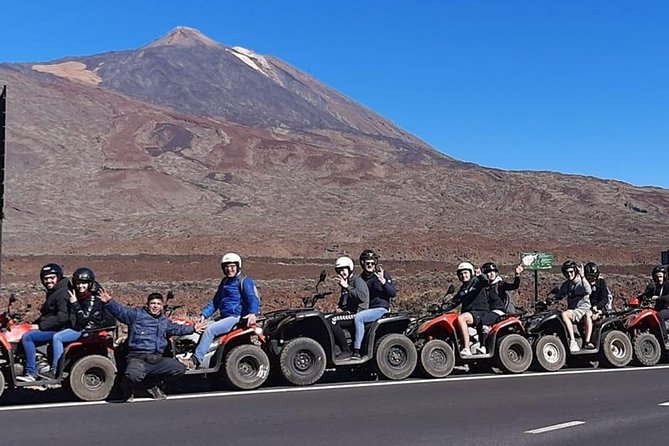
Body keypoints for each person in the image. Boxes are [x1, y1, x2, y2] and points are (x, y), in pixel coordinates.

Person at [100, 290, 206, 400]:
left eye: (158, 304)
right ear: (147, 304)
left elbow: (177, 329)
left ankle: (152, 385)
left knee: (178, 369)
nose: (155, 306)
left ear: (162, 306)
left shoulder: (164, 321)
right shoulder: (136, 315)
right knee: (133, 375)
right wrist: (109, 302)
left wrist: (193, 328)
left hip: (156, 359)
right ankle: (127, 387)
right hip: (138, 358)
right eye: (153, 303)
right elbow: (121, 311)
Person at [179, 252, 260, 369]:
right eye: (226, 267)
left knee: (210, 330)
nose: (229, 269)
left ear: (238, 266)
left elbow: (252, 297)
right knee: (199, 328)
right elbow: (216, 301)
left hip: (236, 317)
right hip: (224, 316)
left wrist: (253, 313)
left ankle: (195, 360)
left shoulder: (244, 281)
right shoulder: (225, 282)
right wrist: (204, 314)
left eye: (232, 266)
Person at [39, 267, 116, 379]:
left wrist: (74, 303)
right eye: (78, 283)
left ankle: (55, 370)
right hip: (81, 326)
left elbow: (84, 319)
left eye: (84, 283)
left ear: (90, 283)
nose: (81, 286)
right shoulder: (81, 294)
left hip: (88, 329)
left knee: (57, 337)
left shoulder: (93, 297)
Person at [17, 263, 71, 382]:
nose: (48, 281)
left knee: (28, 337)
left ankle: (30, 373)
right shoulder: (54, 291)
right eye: (46, 278)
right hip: (54, 327)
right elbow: (49, 314)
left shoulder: (62, 293)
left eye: (52, 277)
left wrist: (40, 326)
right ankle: (37, 362)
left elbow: (63, 317)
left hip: (61, 329)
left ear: (58, 277)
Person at [443, 262, 499, 357]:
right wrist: (442, 308)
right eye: (461, 274)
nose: (463, 275)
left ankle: (466, 348)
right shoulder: (462, 289)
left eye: (465, 273)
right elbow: (455, 302)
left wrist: (480, 275)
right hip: (470, 313)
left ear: (471, 273)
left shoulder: (477, 281)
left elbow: (485, 281)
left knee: (461, 318)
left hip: (480, 312)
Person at [352, 250, 394, 358]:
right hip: (367, 309)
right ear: (362, 263)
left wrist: (383, 281)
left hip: (381, 309)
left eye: (372, 263)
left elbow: (392, 293)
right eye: (367, 263)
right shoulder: (360, 279)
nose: (370, 265)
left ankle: (356, 351)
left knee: (359, 318)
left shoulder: (383, 275)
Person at [330, 256, 369, 359]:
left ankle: (346, 350)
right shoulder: (346, 283)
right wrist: (339, 308)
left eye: (343, 270)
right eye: (339, 271)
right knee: (327, 318)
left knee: (333, 320)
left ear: (350, 268)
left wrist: (347, 286)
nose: (341, 273)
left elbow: (362, 297)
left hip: (358, 313)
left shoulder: (357, 281)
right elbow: (344, 301)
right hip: (349, 312)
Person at [551, 260, 594, 352]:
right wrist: (549, 300)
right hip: (574, 311)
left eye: (571, 272)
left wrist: (582, 277)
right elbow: (560, 295)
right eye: (567, 273)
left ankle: (573, 341)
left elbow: (588, 290)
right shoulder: (566, 285)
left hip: (582, 310)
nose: (569, 274)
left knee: (565, 314)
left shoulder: (581, 282)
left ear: (575, 271)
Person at [639, 265, 669, 332]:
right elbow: (646, 294)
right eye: (657, 277)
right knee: (645, 314)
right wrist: (639, 299)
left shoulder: (668, 284)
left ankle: (664, 339)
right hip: (658, 309)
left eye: (660, 277)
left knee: (659, 315)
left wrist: (658, 298)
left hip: (667, 308)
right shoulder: (655, 287)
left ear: (664, 276)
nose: (659, 279)